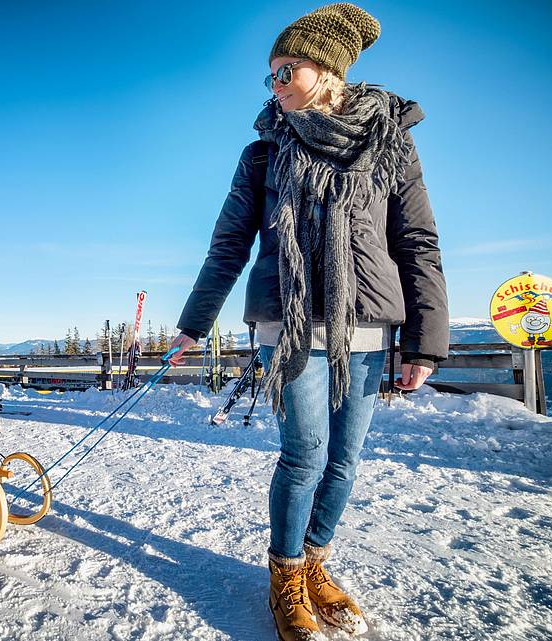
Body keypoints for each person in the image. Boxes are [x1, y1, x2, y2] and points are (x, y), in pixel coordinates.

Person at [169, 4, 448, 639]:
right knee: (305, 454)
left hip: (370, 327)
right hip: (288, 327)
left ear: (327, 70)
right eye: (268, 76)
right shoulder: (263, 153)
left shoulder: (391, 142)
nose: (275, 85)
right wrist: (194, 322)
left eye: (284, 70)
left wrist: (424, 341)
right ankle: (286, 573)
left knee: (346, 460)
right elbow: (228, 245)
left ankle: (317, 559)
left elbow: (417, 242)